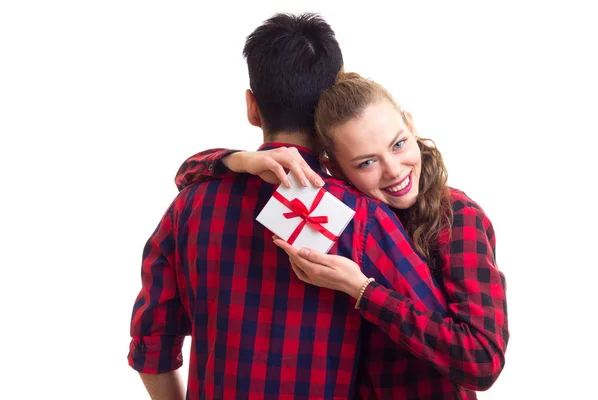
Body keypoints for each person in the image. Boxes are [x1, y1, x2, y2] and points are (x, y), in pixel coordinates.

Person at [128, 13, 450, 400]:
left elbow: (152, 346)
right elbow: (440, 341)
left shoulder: (189, 206)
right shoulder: (364, 217)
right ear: (332, 104)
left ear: (252, 106)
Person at [174, 73, 508, 399]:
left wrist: (362, 289)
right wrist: (239, 160)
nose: (393, 170)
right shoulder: (334, 209)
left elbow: (482, 360)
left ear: (410, 123)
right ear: (332, 168)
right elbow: (186, 175)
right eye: (366, 163)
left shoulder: (457, 217)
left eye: (398, 144)